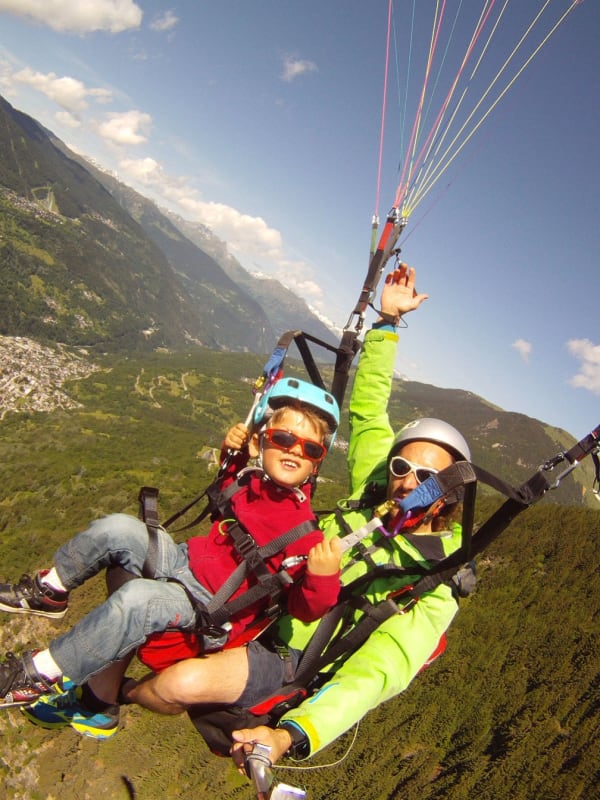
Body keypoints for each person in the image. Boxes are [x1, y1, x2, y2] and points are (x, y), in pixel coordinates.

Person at [117, 264, 472, 766]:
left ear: (450, 494)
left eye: (428, 479)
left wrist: (293, 733)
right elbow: (369, 411)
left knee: (179, 682)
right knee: (133, 579)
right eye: (401, 465)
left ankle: (120, 696)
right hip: (258, 598)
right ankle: (93, 692)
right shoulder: (378, 492)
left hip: (288, 651)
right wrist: (388, 323)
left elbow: (379, 671)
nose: (408, 481)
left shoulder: (436, 577)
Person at [0, 377, 342, 738]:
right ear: (262, 441)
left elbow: (306, 608)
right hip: (184, 563)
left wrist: (322, 576)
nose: (294, 451)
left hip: (208, 605)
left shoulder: (303, 532)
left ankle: (39, 672)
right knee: (118, 527)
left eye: (310, 449)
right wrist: (234, 452)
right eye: (284, 439)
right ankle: (50, 590)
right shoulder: (250, 479)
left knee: (137, 601)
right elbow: (223, 493)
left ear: (316, 465)